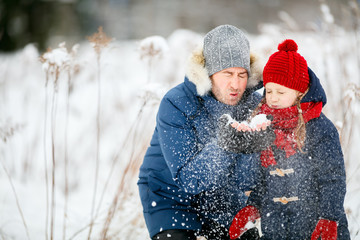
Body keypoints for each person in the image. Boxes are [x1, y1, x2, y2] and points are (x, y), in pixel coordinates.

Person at [138, 25, 274, 240]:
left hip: (222, 198)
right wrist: (226, 145)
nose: (236, 84)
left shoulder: (255, 107)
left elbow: (247, 182)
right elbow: (188, 180)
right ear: (209, 74)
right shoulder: (176, 103)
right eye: (227, 74)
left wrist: (258, 147)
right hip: (171, 198)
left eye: (242, 75)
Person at [228, 39, 350, 240]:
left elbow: (333, 178)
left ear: (300, 93)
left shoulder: (319, 128)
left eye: (281, 92)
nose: (273, 98)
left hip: (316, 228)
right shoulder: (264, 125)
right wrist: (254, 206)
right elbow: (266, 178)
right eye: (269, 91)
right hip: (276, 227)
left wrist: (329, 217)